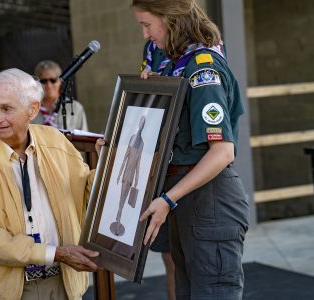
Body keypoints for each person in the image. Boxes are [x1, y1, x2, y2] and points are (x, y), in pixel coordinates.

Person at [132, 1, 250, 299]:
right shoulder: (172, 64)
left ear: (171, 20)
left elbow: (223, 152)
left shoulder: (202, 67)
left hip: (207, 198)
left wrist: (168, 199)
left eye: (147, 24)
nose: (145, 35)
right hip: (181, 195)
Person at [0, 68, 100, 300]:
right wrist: (55, 253)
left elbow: (86, 195)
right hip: (5, 289)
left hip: (62, 283)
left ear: (32, 110)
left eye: (6, 109)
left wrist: (109, 165)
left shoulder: (56, 141)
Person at [140, 40, 176, 300]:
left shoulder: (204, 49)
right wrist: (148, 84)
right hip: (161, 164)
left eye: (148, 24)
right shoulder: (152, 47)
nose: (146, 32)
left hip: (190, 168)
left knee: (196, 261)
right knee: (170, 258)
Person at [110, 115, 145, 237]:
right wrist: (119, 174)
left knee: (123, 201)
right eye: (141, 122)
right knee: (121, 200)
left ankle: (118, 221)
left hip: (130, 176)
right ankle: (118, 222)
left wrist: (136, 180)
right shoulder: (132, 138)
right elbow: (125, 158)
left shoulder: (142, 143)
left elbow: (138, 164)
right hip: (125, 174)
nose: (141, 125)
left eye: (143, 123)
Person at [31, 60, 88, 131]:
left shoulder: (76, 108)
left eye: (53, 80)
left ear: (60, 81)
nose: (49, 85)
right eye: (44, 81)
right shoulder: (30, 107)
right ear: (37, 83)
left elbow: (84, 137)